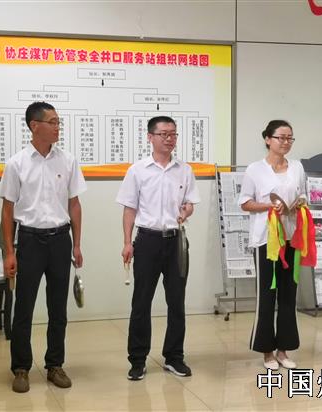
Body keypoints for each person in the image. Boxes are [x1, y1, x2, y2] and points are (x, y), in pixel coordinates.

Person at [0, 101, 87, 393]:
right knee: (24, 307)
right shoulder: (16, 163)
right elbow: (8, 211)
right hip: (30, 241)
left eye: (59, 122)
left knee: (58, 308)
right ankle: (21, 368)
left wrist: (77, 244)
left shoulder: (68, 160)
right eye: (53, 122)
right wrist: (9, 252)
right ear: (35, 126)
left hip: (60, 240)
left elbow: (75, 204)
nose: (58, 127)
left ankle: (54, 365)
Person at [117, 116, 200, 381]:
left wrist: (187, 210)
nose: (169, 138)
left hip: (176, 241)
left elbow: (190, 203)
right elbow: (129, 209)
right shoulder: (138, 170)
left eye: (173, 134)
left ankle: (174, 357)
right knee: (141, 301)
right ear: (150, 137)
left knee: (176, 301)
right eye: (164, 134)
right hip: (147, 241)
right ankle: (137, 360)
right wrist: (127, 242)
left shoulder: (184, 170)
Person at [238, 119, 306, 370]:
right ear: (268, 139)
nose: (286, 142)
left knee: (289, 295)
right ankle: (266, 351)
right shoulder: (255, 169)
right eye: (281, 137)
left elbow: (303, 194)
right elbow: (245, 203)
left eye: (290, 138)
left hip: (291, 237)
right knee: (267, 295)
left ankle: (283, 350)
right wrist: (268, 206)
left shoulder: (297, 167)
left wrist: (300, 202)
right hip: (266, 239)